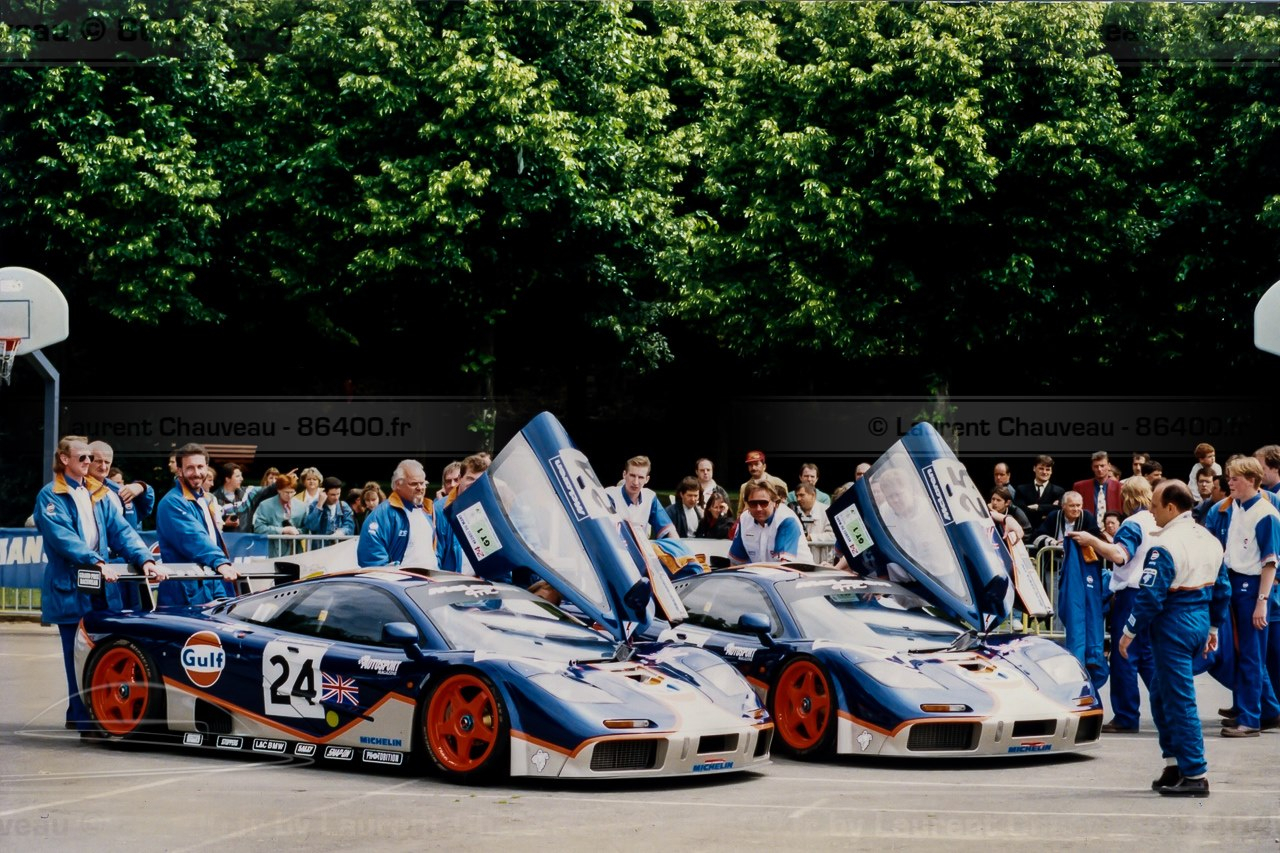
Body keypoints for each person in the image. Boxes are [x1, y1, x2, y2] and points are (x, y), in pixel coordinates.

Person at [35, 436, 163, 735]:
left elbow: (122, 532)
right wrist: (96, 561)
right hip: (71, 585)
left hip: (101, 584)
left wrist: (145, 559)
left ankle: (91, 714)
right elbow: (63, 538)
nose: (89, 463)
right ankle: (84, 719)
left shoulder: (99, 494)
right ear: (64, 459)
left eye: (89, 459)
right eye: (82, 458)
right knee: (76, 655)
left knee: (102, 653)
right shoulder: (50, 496)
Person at [1119, 480, 1227, 797]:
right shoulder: (1209, 539)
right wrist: (1213, 629)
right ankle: (1174, 763)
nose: (1150, 511)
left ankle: (1195, 773)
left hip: (1173, 624)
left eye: (1153, 505)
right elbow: (1223, 590)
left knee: (1179, 700)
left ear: (1170, 507)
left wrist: (1128, 633)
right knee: (1160, 694)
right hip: (1199, 618)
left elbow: (1150, 598)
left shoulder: (1164, 546)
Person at [1068, 477, 1158, 733]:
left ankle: (1127, 716)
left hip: (1131, 594)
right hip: (1154, 593)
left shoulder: (1132, 524)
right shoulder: (1157, 521)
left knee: (1124, 655)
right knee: (1150, 657)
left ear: (1127, 497)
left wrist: (1092, 541)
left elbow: (1120, 555)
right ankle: (1170, 707)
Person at [1219, 456, 1279, 737]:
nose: (1229, 482)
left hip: (1252, 586)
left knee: (1251, 655)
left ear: (1252, 481)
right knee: (1244, 653)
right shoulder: (1239, 508)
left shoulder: (1265, 514)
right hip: (1236, 582)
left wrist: (1262, 602)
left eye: (1235, 478)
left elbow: (1270, 562)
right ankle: (1263, 710)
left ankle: (1251, 719)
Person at [155, 443, 238, 607]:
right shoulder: (172, 503)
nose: (197, 473)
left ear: (207, 467)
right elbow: (194, 538)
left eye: (200, 466)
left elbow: (212, 540)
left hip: (210, 583)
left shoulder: (204, 499)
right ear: (179, 471)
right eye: (190, 468)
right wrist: (220, 562)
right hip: (184, 592)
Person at [357, 459, 437, 568]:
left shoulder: (428, 510)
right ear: (398, 484)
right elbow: (371, 558)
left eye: (422, 483)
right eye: (413, 484)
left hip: (428, 581)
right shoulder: (381, 515)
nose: (420, 488)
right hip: (401, 582)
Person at [729, 482, 813, 564]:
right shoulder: (744, 519)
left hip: (799, 574)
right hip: (763, 574)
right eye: (753, 503)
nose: (758, 508)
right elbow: (735, 562)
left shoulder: (786, 519)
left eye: (764, 503)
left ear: (775, 503)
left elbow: (784, 566)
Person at [88, 441, 154, 534]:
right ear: (87, 460)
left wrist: (142, 487)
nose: (103, 467)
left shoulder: (117, 490)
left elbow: (146, 507)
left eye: (107, 462)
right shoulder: (77, 490)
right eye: (98, 461)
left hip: (127, 546)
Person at [604, 455, 675, 539]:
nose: (636, 482)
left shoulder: (650, 497)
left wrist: (680, 551)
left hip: (641, 550)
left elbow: (669, 530)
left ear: (647, 479)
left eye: (641, 477)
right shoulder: (610, 495)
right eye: (632, 476)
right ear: (624, 474)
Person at [1013, 454, 1064, 531]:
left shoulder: (1059, 491)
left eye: (1048, 469)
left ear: (1051, 471)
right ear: (1034, 468)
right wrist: (1049, 508)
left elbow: (1060, 510)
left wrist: (1038, 507)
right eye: (1041, 468)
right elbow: (1021, 511)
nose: (1044, 472)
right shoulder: (1021, 489)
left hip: (1049, 532)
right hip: (1026, 532)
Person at [304, 476, 355, 543]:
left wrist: (341, 532)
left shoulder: (344, 506)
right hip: (320, 548)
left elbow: (350, 526)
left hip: (338, 547)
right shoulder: (315, 504)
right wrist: (319, 506)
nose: (336, 498)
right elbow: (311, 526)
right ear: (325, 493)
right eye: (333, 495)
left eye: (338, 494)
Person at [736, 450, 788, 515]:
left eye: (756, 464)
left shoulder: (778, 483)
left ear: (764, 466)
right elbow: (740, 511)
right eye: (750, 465)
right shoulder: (744, 487)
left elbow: (785, 508)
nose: (753, 468)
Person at [1074, 451, 1122, 516]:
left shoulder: (1120, 487)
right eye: (1096, 466)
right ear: (1092, 467)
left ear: (1109, 466)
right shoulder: (1080, 487)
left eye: (1102, 466)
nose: (1099, 469)